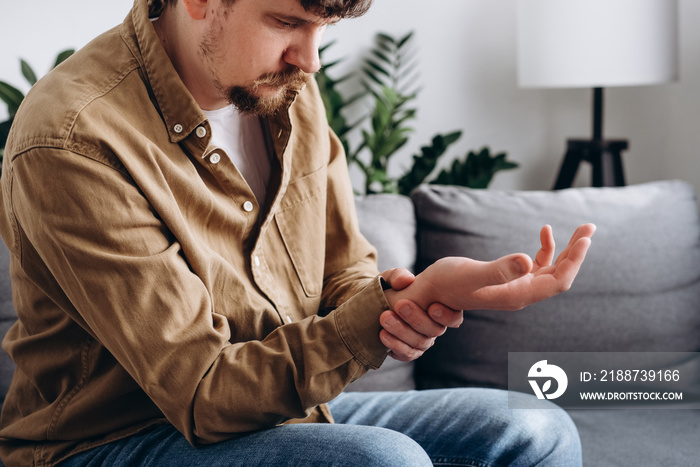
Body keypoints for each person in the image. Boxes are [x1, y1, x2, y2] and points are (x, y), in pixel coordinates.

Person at [0, 0, 595, 465]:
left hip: (289, 417)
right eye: (286, 22)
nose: (309, 60)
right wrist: (367, 326)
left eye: (323, 27)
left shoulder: (288, 92)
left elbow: (344, 268)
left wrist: (406, 302)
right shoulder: (74, 139)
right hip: (115, 441)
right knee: (384, 462)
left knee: (533, 429)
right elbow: (201, 393)